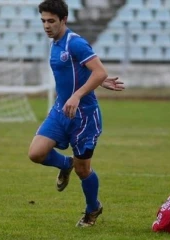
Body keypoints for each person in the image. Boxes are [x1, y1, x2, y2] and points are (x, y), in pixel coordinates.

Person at [28, 0, 124, 227]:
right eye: (43, 21)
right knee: (36, 153)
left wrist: (79, 94)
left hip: (84, 117)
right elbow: (84, 73)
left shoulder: (75, 43)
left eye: (51, 21)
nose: (46, 26)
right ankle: (64, 164)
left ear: (64, 20)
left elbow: (100, 71)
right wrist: (92, 84)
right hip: (61, 110)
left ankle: (93, 209)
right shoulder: (55, 43)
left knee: (84, 170)